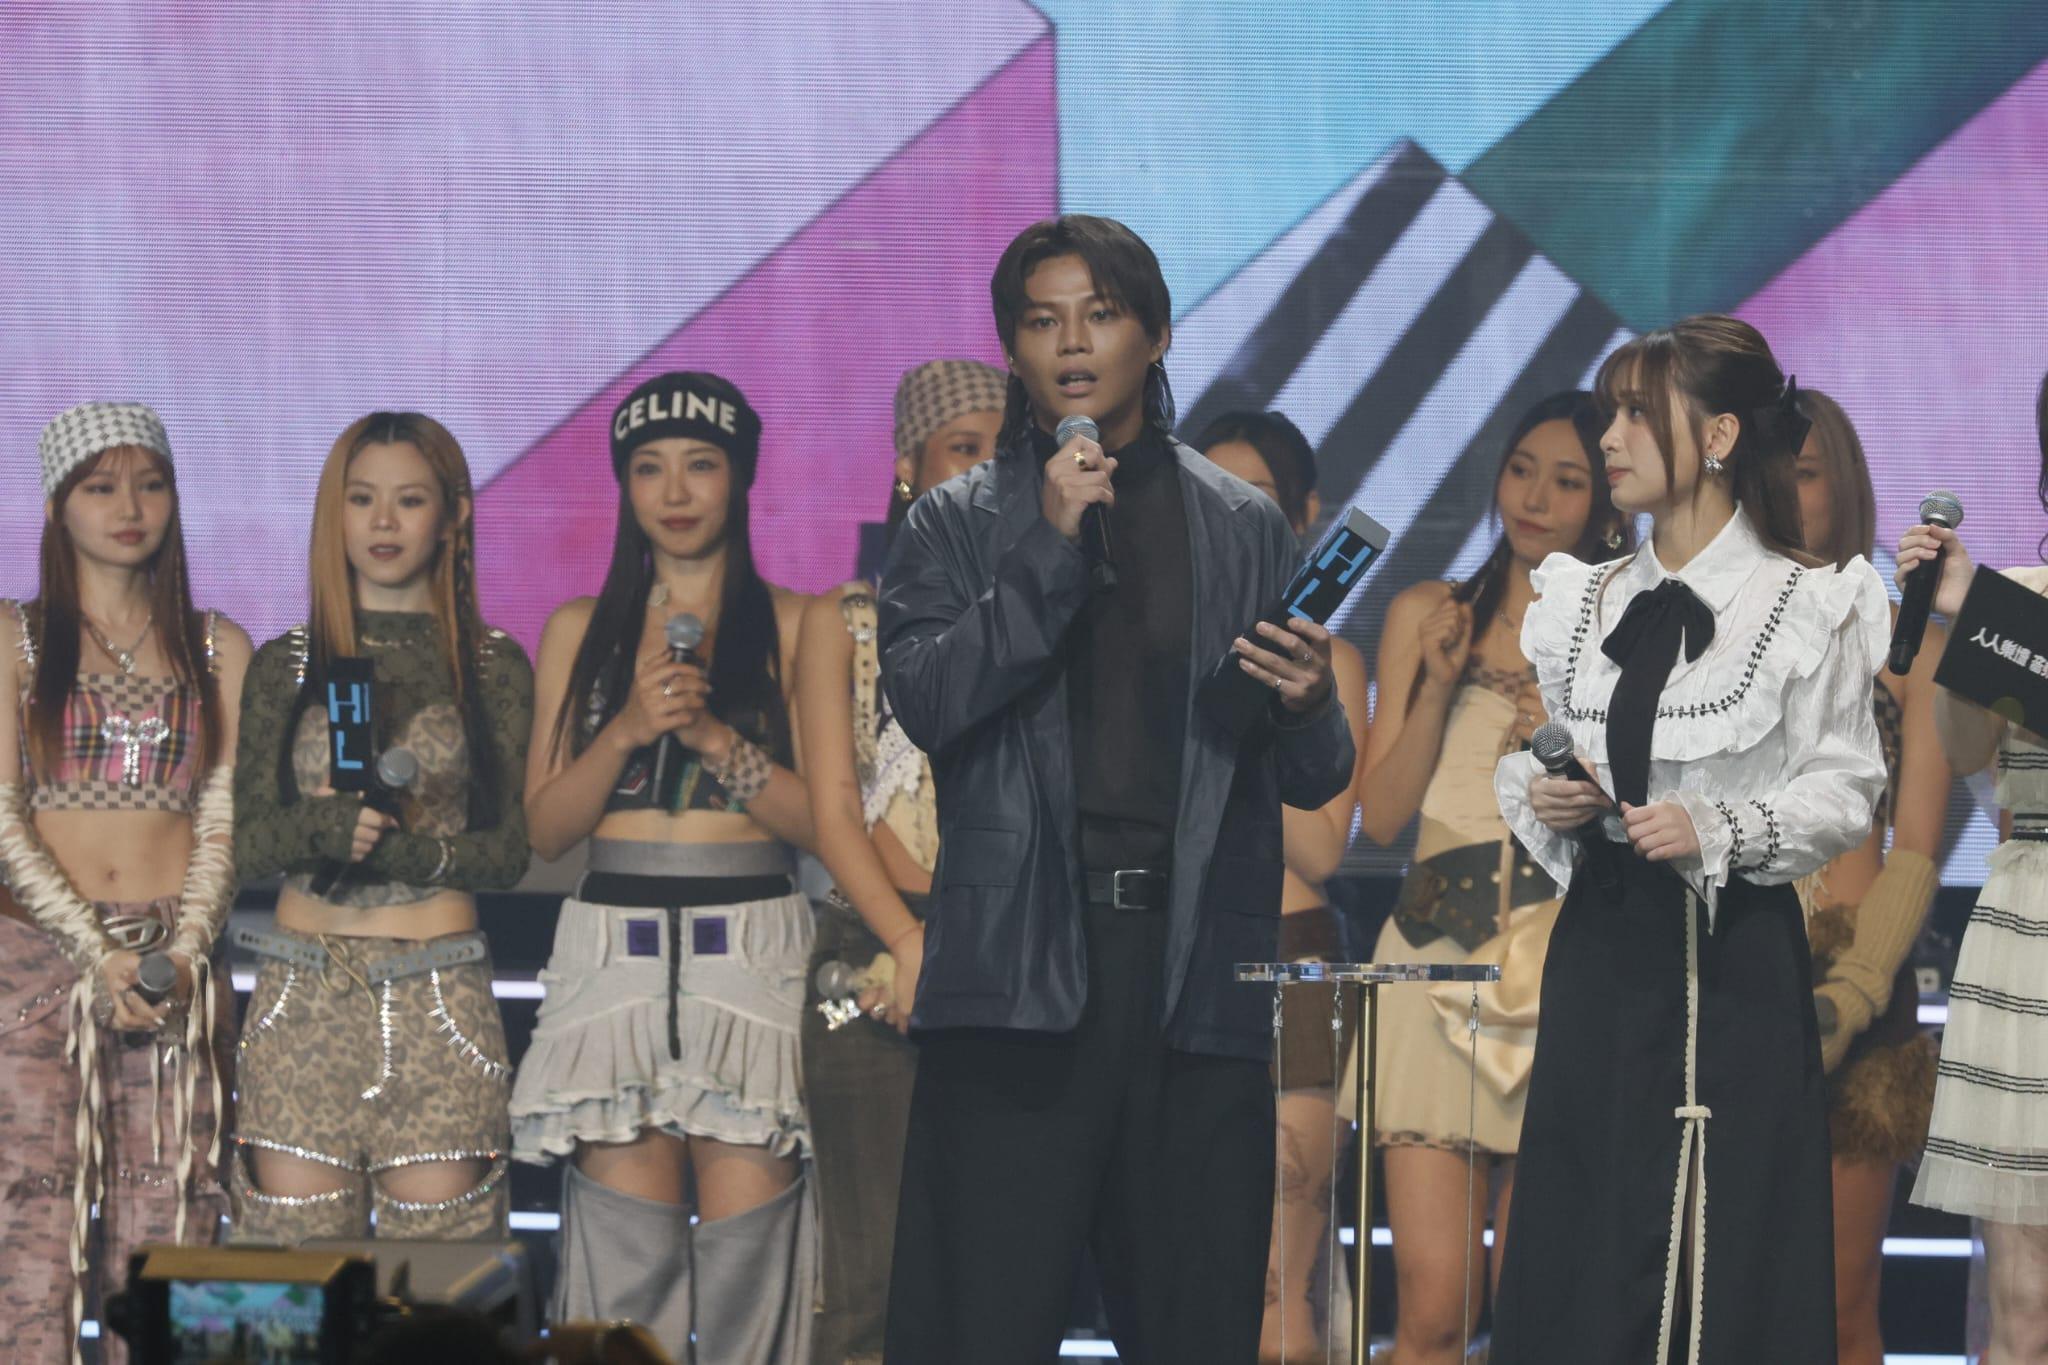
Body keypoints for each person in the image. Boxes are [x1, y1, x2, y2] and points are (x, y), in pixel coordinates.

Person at [877, 215, 1356, 1364]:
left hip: (1190, 974)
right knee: (981, 1323)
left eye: (1099, 315)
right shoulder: (951, 521)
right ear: (1011, 347)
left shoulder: (1239, 523)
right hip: (1013, 966)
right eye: (1041, 321)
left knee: (1195, 1320)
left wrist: (1307, 702)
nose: (1071, 343)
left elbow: (1310, 775)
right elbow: (928, 702)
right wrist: (1046, 549)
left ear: (1155, 333)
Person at [1491, 316, 1888, 1363]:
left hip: (1731, 965)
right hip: (1599, 958)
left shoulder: (1806, 600)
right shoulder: (1583, 598)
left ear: (1717, 436)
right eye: (1610, 413)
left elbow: (1844, 787)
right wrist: (1558, 796)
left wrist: (1718, 824)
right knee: (1586, 1241)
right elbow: (1558, 752)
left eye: (1635, 414)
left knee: (1725, 1255)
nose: (1608, 438)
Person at [510, 371, 816, 1364]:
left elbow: (826, 823)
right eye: (649, 468)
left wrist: (717, 739)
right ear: (625, 486)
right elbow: (547, 828)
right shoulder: (577, 629)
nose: (675, 491)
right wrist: (631, 728)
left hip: (751, 951)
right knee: (624, 1280)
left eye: (700, 464)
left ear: (740, 477)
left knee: (749, 1265)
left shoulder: (799, 622)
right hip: (616, 957)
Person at [1357, 391, 1631, 1364]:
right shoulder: (1427, 614)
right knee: (1434, 1314)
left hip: (1564, 977)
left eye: (1567, 481)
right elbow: (1380, 814)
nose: (1534, 498)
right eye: (1521, 470)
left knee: (1533, 1315)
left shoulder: (1627, 634)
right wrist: (1436, 684)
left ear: (1607, 506)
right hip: (1431, 960)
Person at [229, 412, 531, 1243]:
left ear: (453, 515)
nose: (384, 521)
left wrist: (397, 847)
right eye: (362, 499)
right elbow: (243, 842)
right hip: (302, 990)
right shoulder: (287, 662)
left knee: (439, 1278)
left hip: (438, 989)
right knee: (296, 1272)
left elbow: (510, 850)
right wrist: (320, 825)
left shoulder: (491, 662)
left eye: (410, 499)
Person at [0, 403, 249, 1365]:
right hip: (36, 964)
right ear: (57, 507)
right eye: (100, 487)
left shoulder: (217, 644)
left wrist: (180, 953)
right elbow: (6, 818)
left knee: (171, 1219)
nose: (129, 507)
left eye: (149, 484)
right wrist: (92, 950)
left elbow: (219, 819)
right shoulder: (18, 639)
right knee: (31, 1219)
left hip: (170, 963)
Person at [794, 357, 1006, 1365]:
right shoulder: (843, 620)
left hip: (1004, 958)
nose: (987, 470)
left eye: (1006, 452)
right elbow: (834, 811)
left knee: (995, 1276)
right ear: (908, 466)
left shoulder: (1043, 617)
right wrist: (907, 941)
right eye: (964, 449)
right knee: (871, 1280)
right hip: (865, 961)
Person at [1195, 409, 1372, 1362]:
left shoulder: (1328, 662)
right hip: (1181, 957)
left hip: (1292, 964)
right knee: (1183, 1273)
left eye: (1254, 498)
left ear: (1302, 516)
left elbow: (1324, 848)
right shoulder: (1161, 637)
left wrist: (1266, 709)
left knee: (1279, 1289)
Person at [1792, 387, 1946, 1365]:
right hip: (1726, 974)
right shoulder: (1691, 630)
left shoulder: (1903, 641)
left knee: (1841, 1309)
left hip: (1857, 977)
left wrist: (1850, 993)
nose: (1781, 491)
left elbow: (1918, 845)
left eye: (1804, 473)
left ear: (1843, 486)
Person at [1903, 370, 2048, 1363]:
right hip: (2024, 929)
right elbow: (1962, 751)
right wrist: (1959, 624)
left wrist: (1987, 618)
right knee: (2021, 1298)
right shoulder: (2018, 601)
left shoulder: (2011, 613)